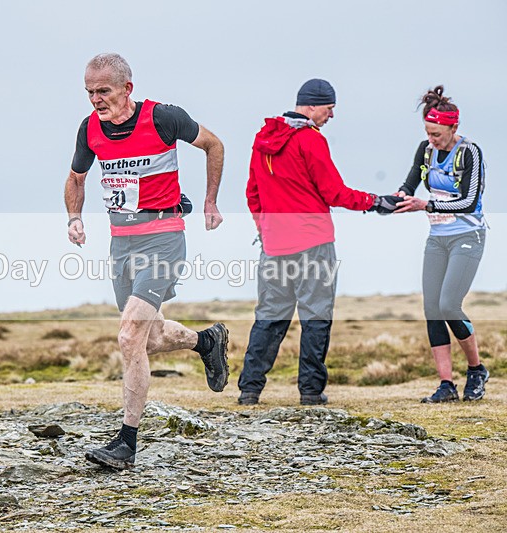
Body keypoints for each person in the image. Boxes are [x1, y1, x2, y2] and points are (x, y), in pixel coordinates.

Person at [64, 53, 229, 469]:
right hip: (122, 245)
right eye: (90, 92)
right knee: (148, 339)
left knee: (127, 337)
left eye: (104, 91)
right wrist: (74, 217)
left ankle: (127, 442)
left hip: (164, 238)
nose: (96, 100)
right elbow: (77, 177)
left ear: (126, 89)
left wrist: (209, 201)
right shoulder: (90, 130)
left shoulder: (163, 118)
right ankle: (206, 341)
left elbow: (213, 144)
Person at [238, 79, 400, 406]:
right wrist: (376, 201)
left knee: (269, 316)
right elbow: (334, 193)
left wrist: (266, 229)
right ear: (312, 106)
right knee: (316, 316)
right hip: (314, 244)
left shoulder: (261, 140)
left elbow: (252, 193)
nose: (331, 116)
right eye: (329, 109)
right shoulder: (310, 140)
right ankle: (311, 392)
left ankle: (249, 390)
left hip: (274, 246)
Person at [394, 86, 488, 403]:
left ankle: (476, 370)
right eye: (428, 133)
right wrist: (392, 200)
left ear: (453, 128)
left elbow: (469, 200)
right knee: (433, 310)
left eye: (437, 134)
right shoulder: (425, 150)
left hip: (467, 236)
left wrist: (427, 206)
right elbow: (409, 185)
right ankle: (446, 385)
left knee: (449, 305)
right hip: (437, 239)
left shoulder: (469, 152)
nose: (432, 139)